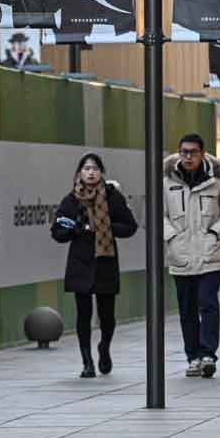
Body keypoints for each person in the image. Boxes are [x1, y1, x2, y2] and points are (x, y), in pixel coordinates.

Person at [50, 153, 138, 377]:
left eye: (95, 168)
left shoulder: (112, 197)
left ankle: (104, 348)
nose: (91, 172)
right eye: (87, 168)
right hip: (80, 262)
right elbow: (57, 232)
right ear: (79, 172)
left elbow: (130, 226)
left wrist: (105, 227)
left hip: (105, 261)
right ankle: (87, 361)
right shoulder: (71, 200)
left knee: (107, 315)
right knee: (83, 314)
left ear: (102, 173)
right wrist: (75, 230)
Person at [163, 134, 220, 378]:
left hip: (209, 254)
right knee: (186, 310)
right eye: (184, 151)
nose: (188, 156)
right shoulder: (166, 180)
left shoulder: (217, 180)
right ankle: (192, 356)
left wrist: (216, 232)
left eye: (193, 152)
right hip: (180, 255)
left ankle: (208, 354)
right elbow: (155, 212)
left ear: (202, 154)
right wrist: (171, 237)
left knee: (208, 305)